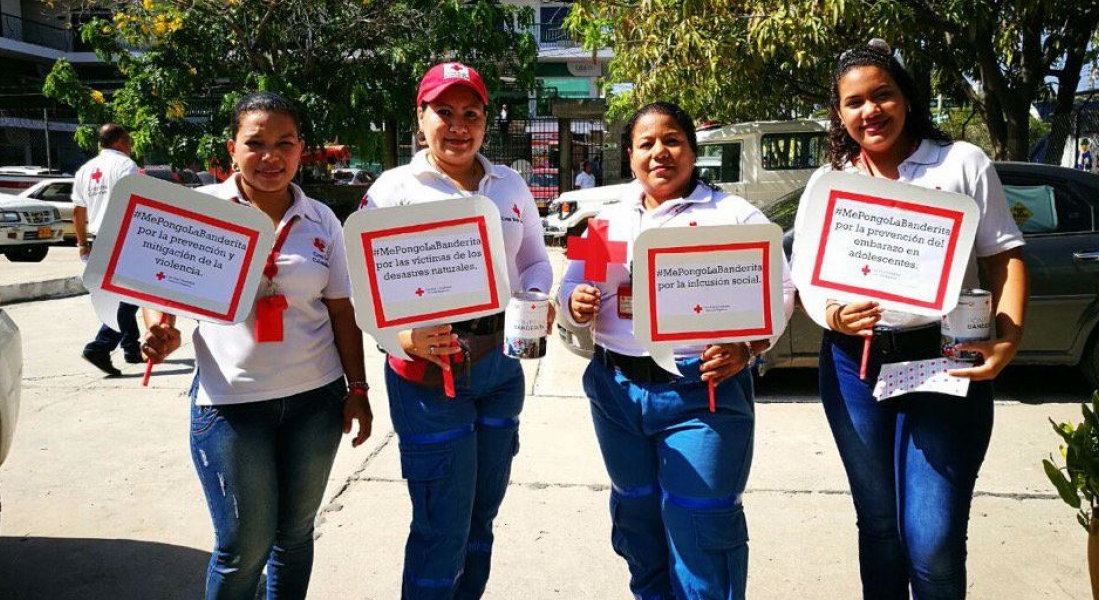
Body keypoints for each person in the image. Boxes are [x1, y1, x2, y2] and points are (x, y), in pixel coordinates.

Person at [790, 40, 1027, 599]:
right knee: (878, 526)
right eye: (853, 103)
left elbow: (1005, 257)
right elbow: (804, 273)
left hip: (946, 360)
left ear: (906, 98)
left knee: (932, 538)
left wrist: (1008, 339)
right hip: (856, 364)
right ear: (838, 113)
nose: (869, 112)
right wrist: (831, 312)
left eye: (882, 95)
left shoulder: (960, 163)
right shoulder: (831, 180)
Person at [140, 92, 374, 600]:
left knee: (293, 539)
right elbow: (158, 293)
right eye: (256, 143)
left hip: (316, 404)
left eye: (284, 143)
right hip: (230, 407)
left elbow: (341, 310)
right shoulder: (202, 214)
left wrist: (358, 389)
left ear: (301, 150)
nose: (271, 156)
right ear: (232, 149)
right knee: (242, 549)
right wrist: (160, 327)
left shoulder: (322, 221)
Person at [558, 101, 795, 600]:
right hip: (617, 393)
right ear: (630, 155)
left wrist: (748, 347)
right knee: (638, 521)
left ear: (691, 150)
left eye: (672, 141)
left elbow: (781, 290)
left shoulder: (732, 215)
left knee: (701, 532)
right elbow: (569, 288)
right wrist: (573, 303)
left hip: (700, 394)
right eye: (647, 143)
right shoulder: (602, 222)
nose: (660, 152)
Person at [360, 62, 553, 600]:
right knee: (441, 526)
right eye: (443, 112)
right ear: (420, 118)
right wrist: (400, 337)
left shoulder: (509, 184)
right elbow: (361, 287)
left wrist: (535, 299)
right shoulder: (392, 191)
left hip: (499, 367)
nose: (458, 125)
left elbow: (536, 261)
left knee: (480, 521)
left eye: (471, 113)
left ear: (486, 121)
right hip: (428, 377)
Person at [72, 123, 141, 376]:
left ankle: (132, 349)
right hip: (123, 237)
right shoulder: (125, 166)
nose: (131, 146)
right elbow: (137, 202)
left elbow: (78, 211)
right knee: (132, 295)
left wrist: (82, 243)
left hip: (99, 238)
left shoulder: (85, 170)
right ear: (121, 141)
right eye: (130, 140)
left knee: (121, 295)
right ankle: (100, 346)